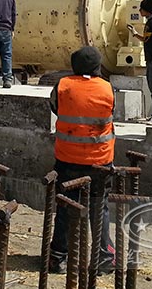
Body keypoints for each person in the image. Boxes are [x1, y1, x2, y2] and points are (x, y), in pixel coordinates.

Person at [48, 46, 115, 275]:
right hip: (100, 160)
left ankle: (58, 256)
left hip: (68, 159)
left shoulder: (62, 86)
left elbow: (55, 108)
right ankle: (104, 257)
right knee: (100, 208)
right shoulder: (107, 88)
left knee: (66, 206)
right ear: (97, 67)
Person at [127, 0, 152, 124]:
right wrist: (135, 33)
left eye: (141, 9)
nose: (139, 12)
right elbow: (146, 39)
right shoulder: (150, 22)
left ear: (146, 10)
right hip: (150, 58)